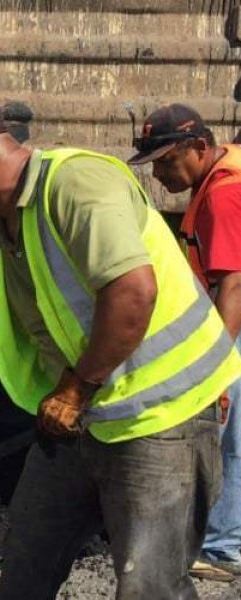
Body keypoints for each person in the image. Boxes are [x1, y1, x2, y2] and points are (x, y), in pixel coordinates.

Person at [0, 97, 241, 599]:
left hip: (160, 417)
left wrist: (74, 391)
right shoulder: (0, 237)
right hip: (77, 419)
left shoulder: (76, 184)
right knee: (26, 562)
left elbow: (133, 290)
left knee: (148, 584)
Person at [129, 103, 241, 581]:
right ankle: (224, 542)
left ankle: (217, 547)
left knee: (221, 438)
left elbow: (234, 284)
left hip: (233, 331)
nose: (158, 174)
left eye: (166, 162)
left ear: (200, 147)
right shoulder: (226, 172)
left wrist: (213, 367)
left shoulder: (223, 195)